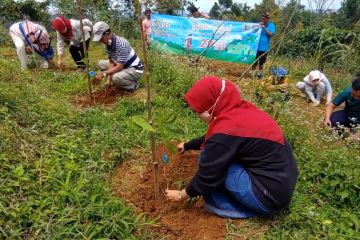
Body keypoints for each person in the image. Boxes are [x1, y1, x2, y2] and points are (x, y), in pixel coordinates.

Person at [165, 76, 298, 219]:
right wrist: (188, 145)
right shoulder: (239, 111)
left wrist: (181, 195)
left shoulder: (225, 131)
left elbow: (208, 176)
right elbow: (216, 140)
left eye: (198, 111)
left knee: (210, 176)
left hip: (268, 198)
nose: (197, 115)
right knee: (214, 154)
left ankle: (235, 209)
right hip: (280, 184)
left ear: (210, 107)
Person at [92, 21, 143, 92]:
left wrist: (104, 74)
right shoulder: (106, 44)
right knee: (101, 63)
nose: (101, 41)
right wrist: (109, 79)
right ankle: (118, 77)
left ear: (107, 34)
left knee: (115, 78)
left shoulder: (121, 44)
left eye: (101, 38)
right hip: (122, 64)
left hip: (134, 69)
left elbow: (120, 66)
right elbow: (111, 61)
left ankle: (133, 85)